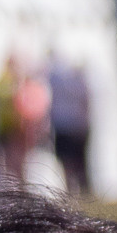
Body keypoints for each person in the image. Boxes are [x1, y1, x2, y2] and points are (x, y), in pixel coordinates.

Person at [47, 54, 92, 196]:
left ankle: (80, 190)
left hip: (71, 125)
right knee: (71, 161)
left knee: (76, 161)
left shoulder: (59, 80)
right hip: (69, 125)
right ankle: (75, 190)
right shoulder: (73, 80)